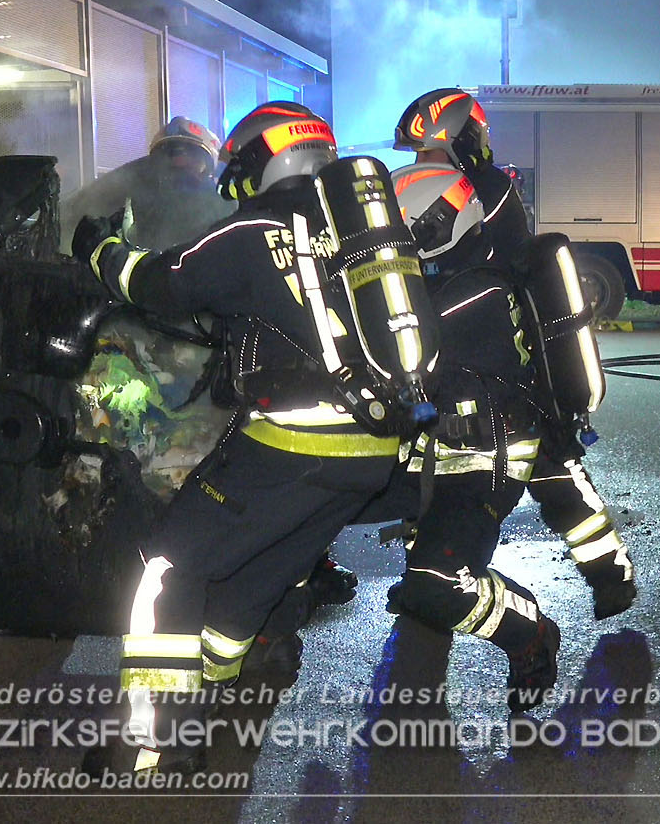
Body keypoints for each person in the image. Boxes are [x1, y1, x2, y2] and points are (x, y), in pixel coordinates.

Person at [71, 101, 414, 773]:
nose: (234, 182)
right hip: (373, 448)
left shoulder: (253, 227)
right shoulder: (352, 230)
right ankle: (212, 686)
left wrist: (99, 248)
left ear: (266, 157)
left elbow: (158, 284)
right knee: (253, 579)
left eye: (241, 167)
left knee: (168, 565)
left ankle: (154, 739)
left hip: (296, 442)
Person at [393, 87, 637, 619]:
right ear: (464, 135)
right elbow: (508, 254)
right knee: (549, 472)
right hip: (496, 361)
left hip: (457, 360)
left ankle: (429, 571)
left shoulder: (407, 190)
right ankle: (609, 577)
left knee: (452, 468)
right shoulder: (480, 188)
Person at [385, 163, 560, 711]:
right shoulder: (461, 275)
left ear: (438, 226)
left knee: (434, 585)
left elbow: (401, 341)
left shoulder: (472, 293)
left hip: (482, 461)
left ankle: (528, 630)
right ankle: (426, 572)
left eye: (405, 231)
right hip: (441, 451)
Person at [60, 115, 233, 254]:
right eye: (169, 157)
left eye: (188, 157)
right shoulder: (139, 194)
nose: (177, 164)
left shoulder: (224, 207)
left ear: (206, 166)